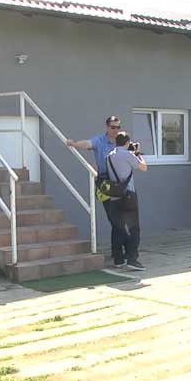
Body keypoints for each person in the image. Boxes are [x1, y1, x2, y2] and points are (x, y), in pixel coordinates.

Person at [66, 116, 124, 265]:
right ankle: (119, 257)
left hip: (120, 182)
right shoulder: (100, 140)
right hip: (105, 182)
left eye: (118, 127)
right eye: (113, 127)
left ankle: (118, 252)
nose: (116, 130)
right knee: (114, 218)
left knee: (120, 219)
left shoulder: (121, 141)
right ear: (107, 127)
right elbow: (88, 143)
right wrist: (74, 144)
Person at [105, 132, 148, 270]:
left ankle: (118, 259)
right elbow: (143, 167)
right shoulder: (127, 154)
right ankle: (132, 259)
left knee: (118, 228)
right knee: (133, 228)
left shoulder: (109, 156)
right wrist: (138, 153)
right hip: (128, 195)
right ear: (127, 142)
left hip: (114, 196)